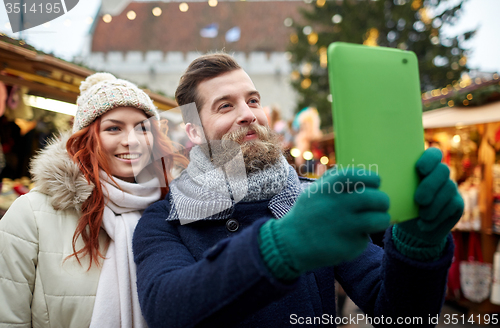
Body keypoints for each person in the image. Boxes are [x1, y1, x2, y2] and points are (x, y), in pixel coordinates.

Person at [133, 53, 464, 327]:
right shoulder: (166, 217)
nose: (248, 114)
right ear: (193, 130)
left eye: (253, 100)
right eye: (225, 106)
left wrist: (416, 244)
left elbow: (401, 315)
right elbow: (166, 309)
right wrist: (282, 245)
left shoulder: (312, 200)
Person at [0, 73, 187, 328]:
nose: (131, 141)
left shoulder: (173, 213)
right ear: (86, 138)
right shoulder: (31, 214)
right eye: (113, 128)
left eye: (142, 128)